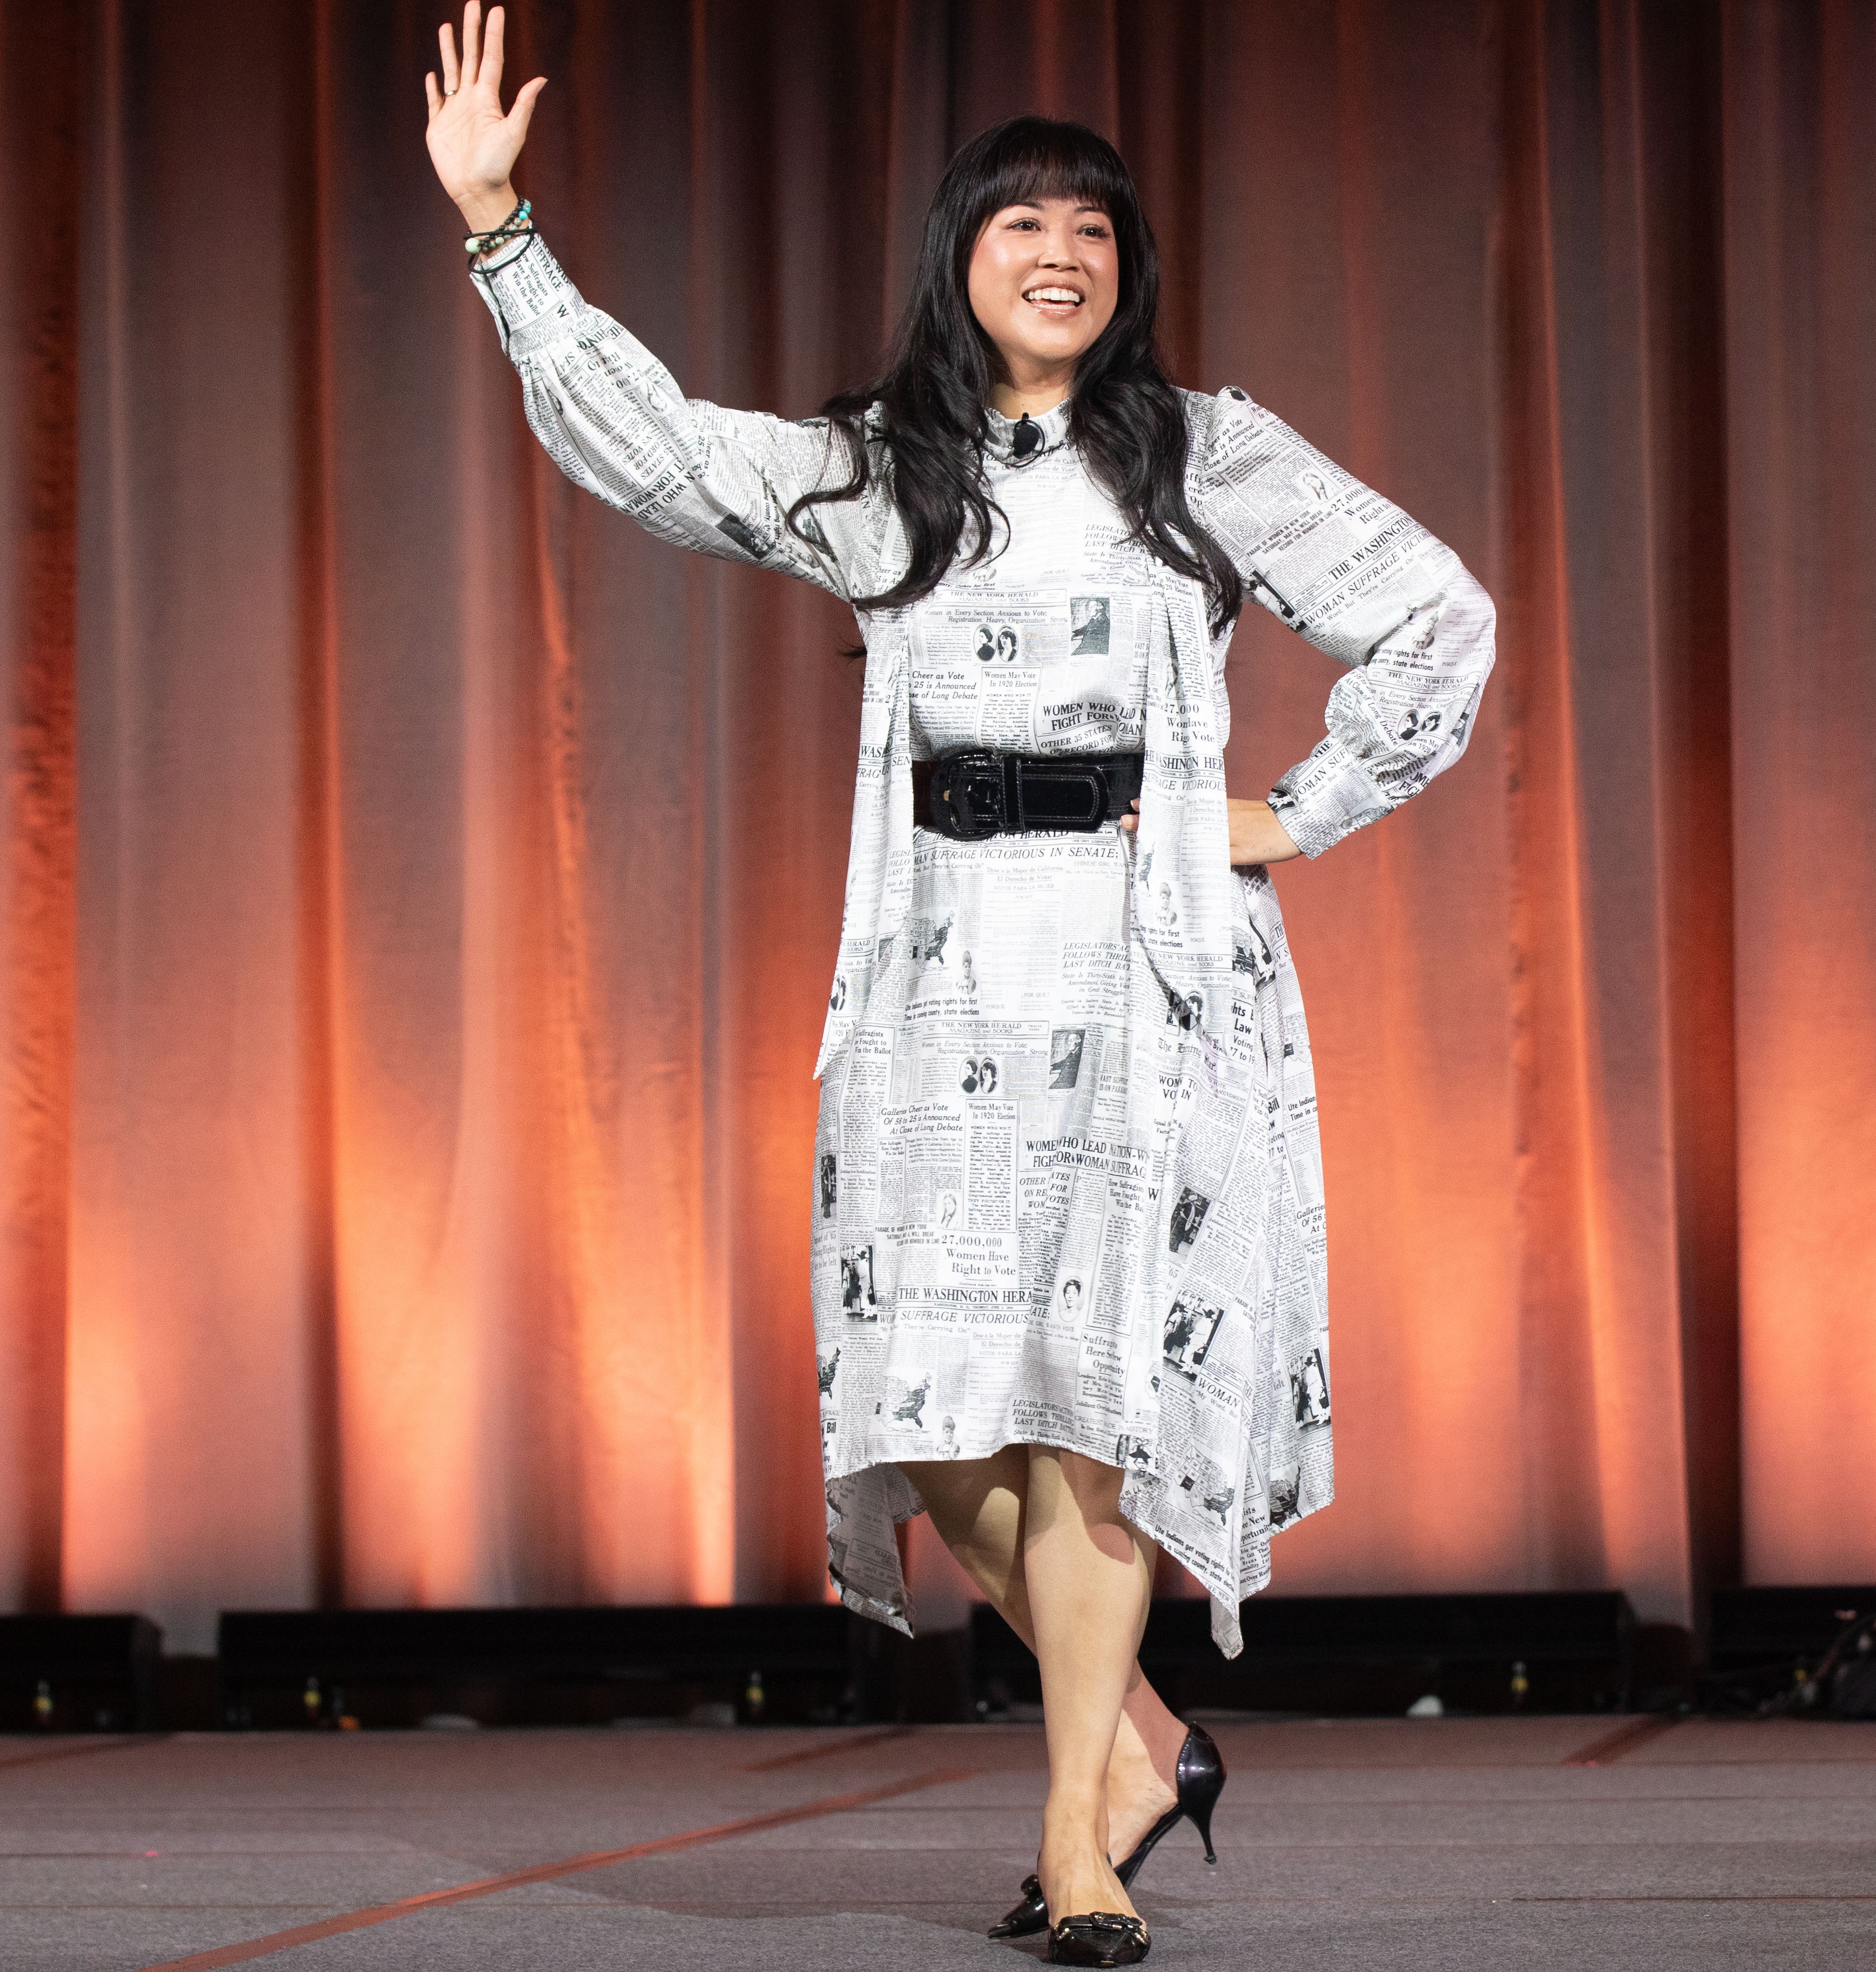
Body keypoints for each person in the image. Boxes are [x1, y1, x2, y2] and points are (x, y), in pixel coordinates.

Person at [423, 9, 1495, 1962]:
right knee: (926, 1414)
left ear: (1127, 266)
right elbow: (663, 452)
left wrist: (1298, 809)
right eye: (1021, 225)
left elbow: (1437, 609)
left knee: (1087, 1413)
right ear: (961, 258)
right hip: (935, 967)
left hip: (1146, 957)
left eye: (1091, 224)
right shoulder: (886, 471)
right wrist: (504, 233)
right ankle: (1147, 1744)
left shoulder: (1205, 452)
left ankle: (1079, 1838)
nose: (1060, 251)